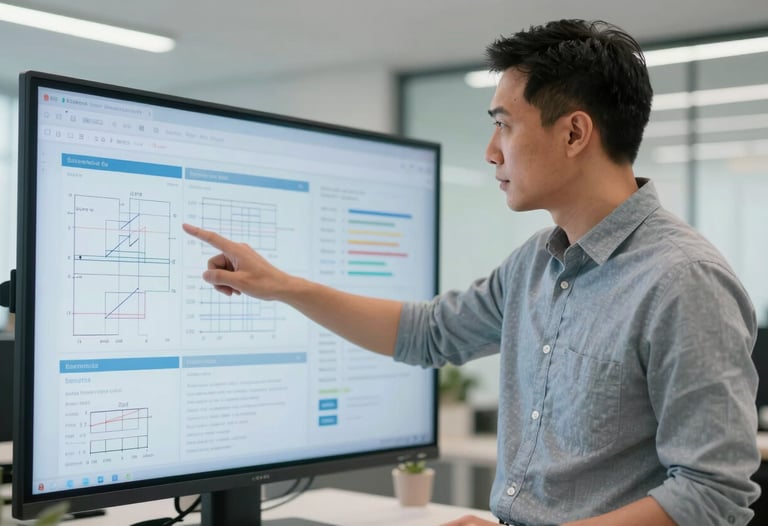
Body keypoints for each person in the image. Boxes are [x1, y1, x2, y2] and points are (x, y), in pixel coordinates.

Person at [183, 18, 761, 526]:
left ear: (574, 133)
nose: (490, 151)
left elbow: (712, 495)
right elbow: (427, 333)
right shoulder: (537, 261)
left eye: (504, 125)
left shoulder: (683, 280)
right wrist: (280, 286)